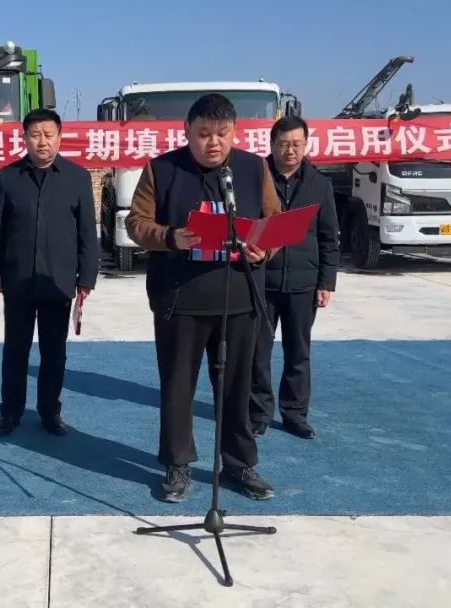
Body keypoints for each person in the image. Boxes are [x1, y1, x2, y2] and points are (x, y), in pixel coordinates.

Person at [124, 94, 281, 502]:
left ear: (235, 133)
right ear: (187, 132)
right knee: (178, 387)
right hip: (181, 300)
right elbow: (136, 222)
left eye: (222, 134)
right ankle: (178, 464)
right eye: (204, 134)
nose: (213, 142)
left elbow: (273, 221)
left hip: (240, 298)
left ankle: (239, 463)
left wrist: (265, 249)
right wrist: (170, 236)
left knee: (237, 387)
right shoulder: (162, 169)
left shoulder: (253, 168)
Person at [0, 108, 99, 437]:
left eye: (48, 135)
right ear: (25, 139)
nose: (42, 142)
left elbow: (87, 233)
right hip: (17, 280)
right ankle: (10, 412)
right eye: (35, 135)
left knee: (54, 352)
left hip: (58, 281)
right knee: (15, 350)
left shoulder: (77, 177)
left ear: (60, 137)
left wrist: (86, 278)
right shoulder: (9, 177)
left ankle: (50, 411)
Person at [249, 116, 339, 439]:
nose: (291, 150)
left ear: (306, 145)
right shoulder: (255, 178)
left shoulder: (319, 184)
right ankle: (258, 413)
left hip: (304, 283)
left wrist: (326, 282)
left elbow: (329, 237)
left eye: (297, 144)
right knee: (257, 352)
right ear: (272, 145)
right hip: (262, 281)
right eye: (284, 144)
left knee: (298, 352)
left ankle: (295, 414)